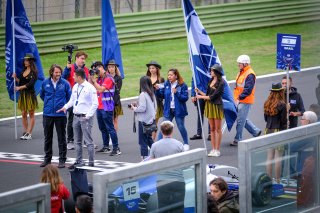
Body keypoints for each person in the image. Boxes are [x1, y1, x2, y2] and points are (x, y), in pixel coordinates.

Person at [57, 69, 98, 168]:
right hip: (76, 117)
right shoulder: (75, 86)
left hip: (85, 117)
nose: (73, 77)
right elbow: (72, 100)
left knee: (88, 141)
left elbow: (95, 103)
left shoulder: (90, 88)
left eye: (74, 76)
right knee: (77, 141)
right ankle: (79, 160)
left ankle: (91, 162)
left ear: (79, 77)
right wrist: (65, 107)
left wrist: (88, 116)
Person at [39, 64, 72, 168]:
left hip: (60, 114)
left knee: (61, 138)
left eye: (59, 72)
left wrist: (63, 107)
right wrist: (49, 105)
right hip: (48, 114)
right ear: (51, 72)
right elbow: (42, 95)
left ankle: (62, 160)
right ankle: (47, 159)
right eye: (56, 72)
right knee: (47, 137)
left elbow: (69, 97)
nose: (58, 74)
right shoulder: (45, 82)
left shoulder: (65, 83)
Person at [149, 121, 185, 212]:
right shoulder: (179, 144)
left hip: (162, 181)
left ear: (161, 131)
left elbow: (152, 164)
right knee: (178, 208)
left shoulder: (155, 145)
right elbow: (185, 163)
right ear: (172, 131)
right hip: (178, 180)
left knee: (163, 207)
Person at [90, 61, 121, 156]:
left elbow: (100, 89)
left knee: (110, 128)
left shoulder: (109, 78)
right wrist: (91, 79)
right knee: (102, 128)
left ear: (101, 67)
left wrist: (94, 81)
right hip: (99, 106)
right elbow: (92, 89)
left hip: (107, 106)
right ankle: (106, 146)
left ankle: (116, 148)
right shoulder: (99, 79)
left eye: (97, 68)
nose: (96, 72)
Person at [155, 68, 190, 151]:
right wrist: (157, 91)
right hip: (168, 110)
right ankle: (158, 144)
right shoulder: (167, 84)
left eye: (171, 75)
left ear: (176, 76)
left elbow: (185, 98)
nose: (169, 76)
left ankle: (186, 143)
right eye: (168, 75)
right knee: (163, 126)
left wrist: (176, 93)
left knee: (180, 126)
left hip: (179, 110)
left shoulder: (182, 85)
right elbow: (162, 95)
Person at [230, 55, 261, 146]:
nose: (238, 65)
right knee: (242, 118)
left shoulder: (250, 74)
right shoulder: (242, 72)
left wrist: (239, 98)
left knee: (240, 120)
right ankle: (255, 131)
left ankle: (237, 139)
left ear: (245, 63)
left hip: (245, 100)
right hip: (238, 99)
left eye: (239, 63)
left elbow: (248, 89)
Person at [62, 51, 89, 150]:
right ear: (76, 58)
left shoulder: (86, 69)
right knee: (72, 120)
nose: (83, 60)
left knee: (86, 120)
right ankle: (70, 140)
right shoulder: (70, 68)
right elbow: (63, 78)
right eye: (82, 58)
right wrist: (66, 69)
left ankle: (87, 141)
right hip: (72, 98)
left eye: (84, 58)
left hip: (84, 100)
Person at [196, 64, 225, 157]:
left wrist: (200, 96)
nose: (210, 72)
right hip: (209, 106)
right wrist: (200, 91)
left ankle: (217, 149)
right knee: (212, 129)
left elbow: (212, 97)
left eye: (212, 71)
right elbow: (208, 94)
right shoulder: (211, 81)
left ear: (216, 72)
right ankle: (213, 149)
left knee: (218, 129)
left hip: (216, 106)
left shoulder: (221, 83)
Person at [264, 82, 287, 183]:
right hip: (278, 131)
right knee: (278, 158)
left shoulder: (267, 103)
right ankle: (278, 180)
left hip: (268, 130)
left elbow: (266, 119)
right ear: (280, 92)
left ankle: (269, 180)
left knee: (269, 157)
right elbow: (283, 122)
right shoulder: (282, 104)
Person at [12, 53, 39, 140]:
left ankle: (29, 133)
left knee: (31, 114)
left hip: (30, 95)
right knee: (23, 113)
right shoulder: (23, 71)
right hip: (23, 95)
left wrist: (19, 87)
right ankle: (25, 131)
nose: (25, 62)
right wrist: (16, 78)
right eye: (25, 60)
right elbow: (21, 82)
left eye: (27, 60)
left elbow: (30, 84)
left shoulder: (34, 72)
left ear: (31, 61)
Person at [129, 76, 157, 160]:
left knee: (143, 141)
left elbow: (142, 108)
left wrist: (134, 108)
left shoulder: (143, 94)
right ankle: (156, 153)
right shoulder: (151, 94)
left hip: (143, 121)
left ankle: (144, 159)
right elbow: (152, 107)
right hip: (150, 120)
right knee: (148, 139)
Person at [146, 60, 165, 140]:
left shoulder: (161, 79)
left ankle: (152, 139)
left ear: (157, 69)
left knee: (154, 122)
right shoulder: (146, 79)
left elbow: (163, 93)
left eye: (153, 68)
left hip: (157, 103)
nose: (151, 70)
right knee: (148, 122)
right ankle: (149, 138)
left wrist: (158, 89)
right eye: (150, 68)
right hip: (148, 103)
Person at [190, 77, 211, 141]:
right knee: (200, 114)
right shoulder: (196, 70)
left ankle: (210, 133)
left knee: (210, 114)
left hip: (208, 94)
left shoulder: (208, 69)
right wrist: (193, 94)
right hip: (199, 94)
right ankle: (199, 134)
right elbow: (193, 82)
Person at [107, 59, 124, 132]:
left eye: (112, 67)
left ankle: (114, 136)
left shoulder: (118, 78)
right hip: (107, 101)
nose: (111, 68)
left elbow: (117, 91)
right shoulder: (106, 77)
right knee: (108, 121)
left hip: (115, 101)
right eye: (109, 67)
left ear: (115, 68)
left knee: (115, 120)